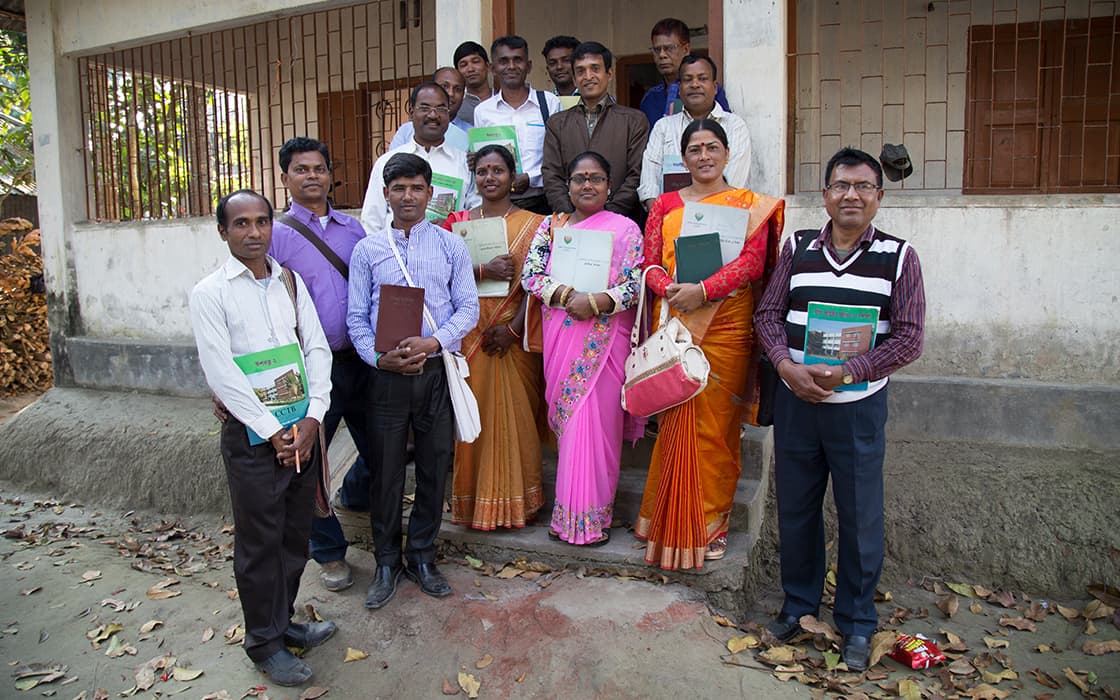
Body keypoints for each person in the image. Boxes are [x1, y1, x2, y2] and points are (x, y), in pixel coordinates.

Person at [754, 147, 926, 671]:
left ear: (878, 195)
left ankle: (856, 623)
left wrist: (850, 372)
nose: (851, 195)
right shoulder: (797, 247)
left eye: (863, 186)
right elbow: (768, 314)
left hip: (858, 408)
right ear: (825, 193)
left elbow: (910, 337)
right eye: (841, 186)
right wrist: (786, 367)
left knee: (859, 517)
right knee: (798, 511)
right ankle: (799, 607)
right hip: (796, 403)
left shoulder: (900, 257)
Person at [190, 190, 336, 686]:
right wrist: (273, 431)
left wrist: (313, 419)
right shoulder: (210, 293)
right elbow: (222, 373)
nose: (253, 232)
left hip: (303, 432)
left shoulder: (289, 283)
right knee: (259, 543)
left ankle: (284, 621)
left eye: (261, 222)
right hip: (254, 440)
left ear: (272, 226)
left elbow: (316, 350)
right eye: (241, 224)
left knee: (295, 536)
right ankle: (263, 643)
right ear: (223, 231)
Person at [634, 120, 784, 569]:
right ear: (683, 159)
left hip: (728, 324)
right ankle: (665, 519)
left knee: (717, 427)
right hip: (678, 317)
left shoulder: (748, 206)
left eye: (712, 147)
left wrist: (705, 289)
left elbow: (754, 263)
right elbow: (648, 261)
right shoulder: (663, 204)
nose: (703, 155)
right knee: (677, 419)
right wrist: (667, 288)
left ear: (726, 152)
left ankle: (710, 522)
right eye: (694, 149)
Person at [348, 153, 480, 609]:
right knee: (384, 471)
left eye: (416, 188)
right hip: (385, 379)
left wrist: (434, 344)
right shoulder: (367, 250)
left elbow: (468, 309)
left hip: (436, 373)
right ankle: (387, 561)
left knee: (432, 465)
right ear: (385, 193)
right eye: (398, 187)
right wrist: (379, 359)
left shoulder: (450, 246)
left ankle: (423, 555)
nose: (407, 196)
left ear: (430, 194)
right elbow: (355, 319)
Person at [267, 138, 374, 594]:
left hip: (364, 360)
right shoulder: (274, 234)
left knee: (385, 449)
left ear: (332, 174)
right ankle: (329, 552)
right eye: (300, 169)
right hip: (312, 367)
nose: (311, 176)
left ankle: (352, 496)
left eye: (319, 168)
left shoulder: (355, 230)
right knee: (307, 461)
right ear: (286, 178)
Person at [521, 151, 644, 546]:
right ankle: (567, 517)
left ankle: (594, 519)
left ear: (609, 186)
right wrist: (566, 295)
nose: (587, 185)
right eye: (579, 178)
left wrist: (596, 303)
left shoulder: (626, 230)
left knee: (600, 428)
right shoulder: (551, 227)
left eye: (595, 178)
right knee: (572, 426)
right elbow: (531, 276)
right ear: (568, 185)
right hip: (562, 335)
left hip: (606, 341)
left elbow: (636, 284)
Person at [443, 144, 548, 530]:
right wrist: (482, 269)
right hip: (469, 335)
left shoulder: (537, 224)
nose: (490, 178)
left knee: (518, 419)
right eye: (483, 171)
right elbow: (440, 276)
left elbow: (538, 287)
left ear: (513, 176)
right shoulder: (457, 223)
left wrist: (515, 328)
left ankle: (521, 503)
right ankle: (474, 504)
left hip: (513, 335)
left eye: (498, 170)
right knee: (475, 421)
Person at [541, 41, 649, 222]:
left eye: (595, 69)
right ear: (574, 79)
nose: (588, 76)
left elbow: (636, 175)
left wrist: (606, 215)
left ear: (609, 74)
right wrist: (572, 214)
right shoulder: (557, 123)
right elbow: (552, 175)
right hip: (571, 224)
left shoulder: (633, 121)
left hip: (620, 222)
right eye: (581, 71)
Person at [361, 82, 476, 235]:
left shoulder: (465, 164)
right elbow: (372, 221)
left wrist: (453, 225)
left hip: (447, 254)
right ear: (411, 112)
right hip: (395, 254)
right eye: (425, 108)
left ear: (448, 114)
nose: (433, 115)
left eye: (441, 109)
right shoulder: (386, 162)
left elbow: (476, 215)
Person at [638, 55, 751, 208]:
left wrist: (699, 219)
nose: (695, 84)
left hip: (722, 218)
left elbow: (734, 182)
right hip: (669, 221)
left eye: (702, 78)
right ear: (679, 88)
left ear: (715, 87)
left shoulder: (734, 126)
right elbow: (649, 183)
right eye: (688, 79)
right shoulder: (663, 127)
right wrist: (662, 218)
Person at [473, 35, 562, 216]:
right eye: (504, 61)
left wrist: (531, 179)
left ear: (528, 66)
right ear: (493, 68)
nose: (511, 66)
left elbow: (559, 156)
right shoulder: (483, 111)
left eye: (518, 60)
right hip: (500, 205)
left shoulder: (549, 103)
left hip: (542, 202)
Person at [639, 18, 731, 128]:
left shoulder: (708, 91)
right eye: (657, 49)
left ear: (686, 49)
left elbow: (724, 129)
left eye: (669, 48)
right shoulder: (650, 98)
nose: (662, 55)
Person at [389, 67, 471, 152]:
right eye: (444, 86)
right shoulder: (406, 130)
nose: (450, 93)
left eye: (458, 89)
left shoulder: (470, 134)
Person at [454, 41, 493, 126]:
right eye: (464, 65)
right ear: (457, 73)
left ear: (488, 66)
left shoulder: (503, 101)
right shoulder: (456, 109)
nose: (470, 69)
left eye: (475, 62)